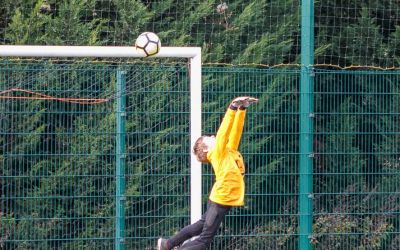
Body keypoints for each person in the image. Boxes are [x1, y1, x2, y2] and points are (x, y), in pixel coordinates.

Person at [157, 96, 258, 250]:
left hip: (220, 198)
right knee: (204, 241)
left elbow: (235, 132)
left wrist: (242, 109)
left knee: (201, 226)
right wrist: (232, 108)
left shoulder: (227, 151)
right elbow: (223, 132)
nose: (213, 136)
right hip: (221, 200)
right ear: (205, 148)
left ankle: (168, 244)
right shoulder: (217, 153)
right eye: (209, 138)